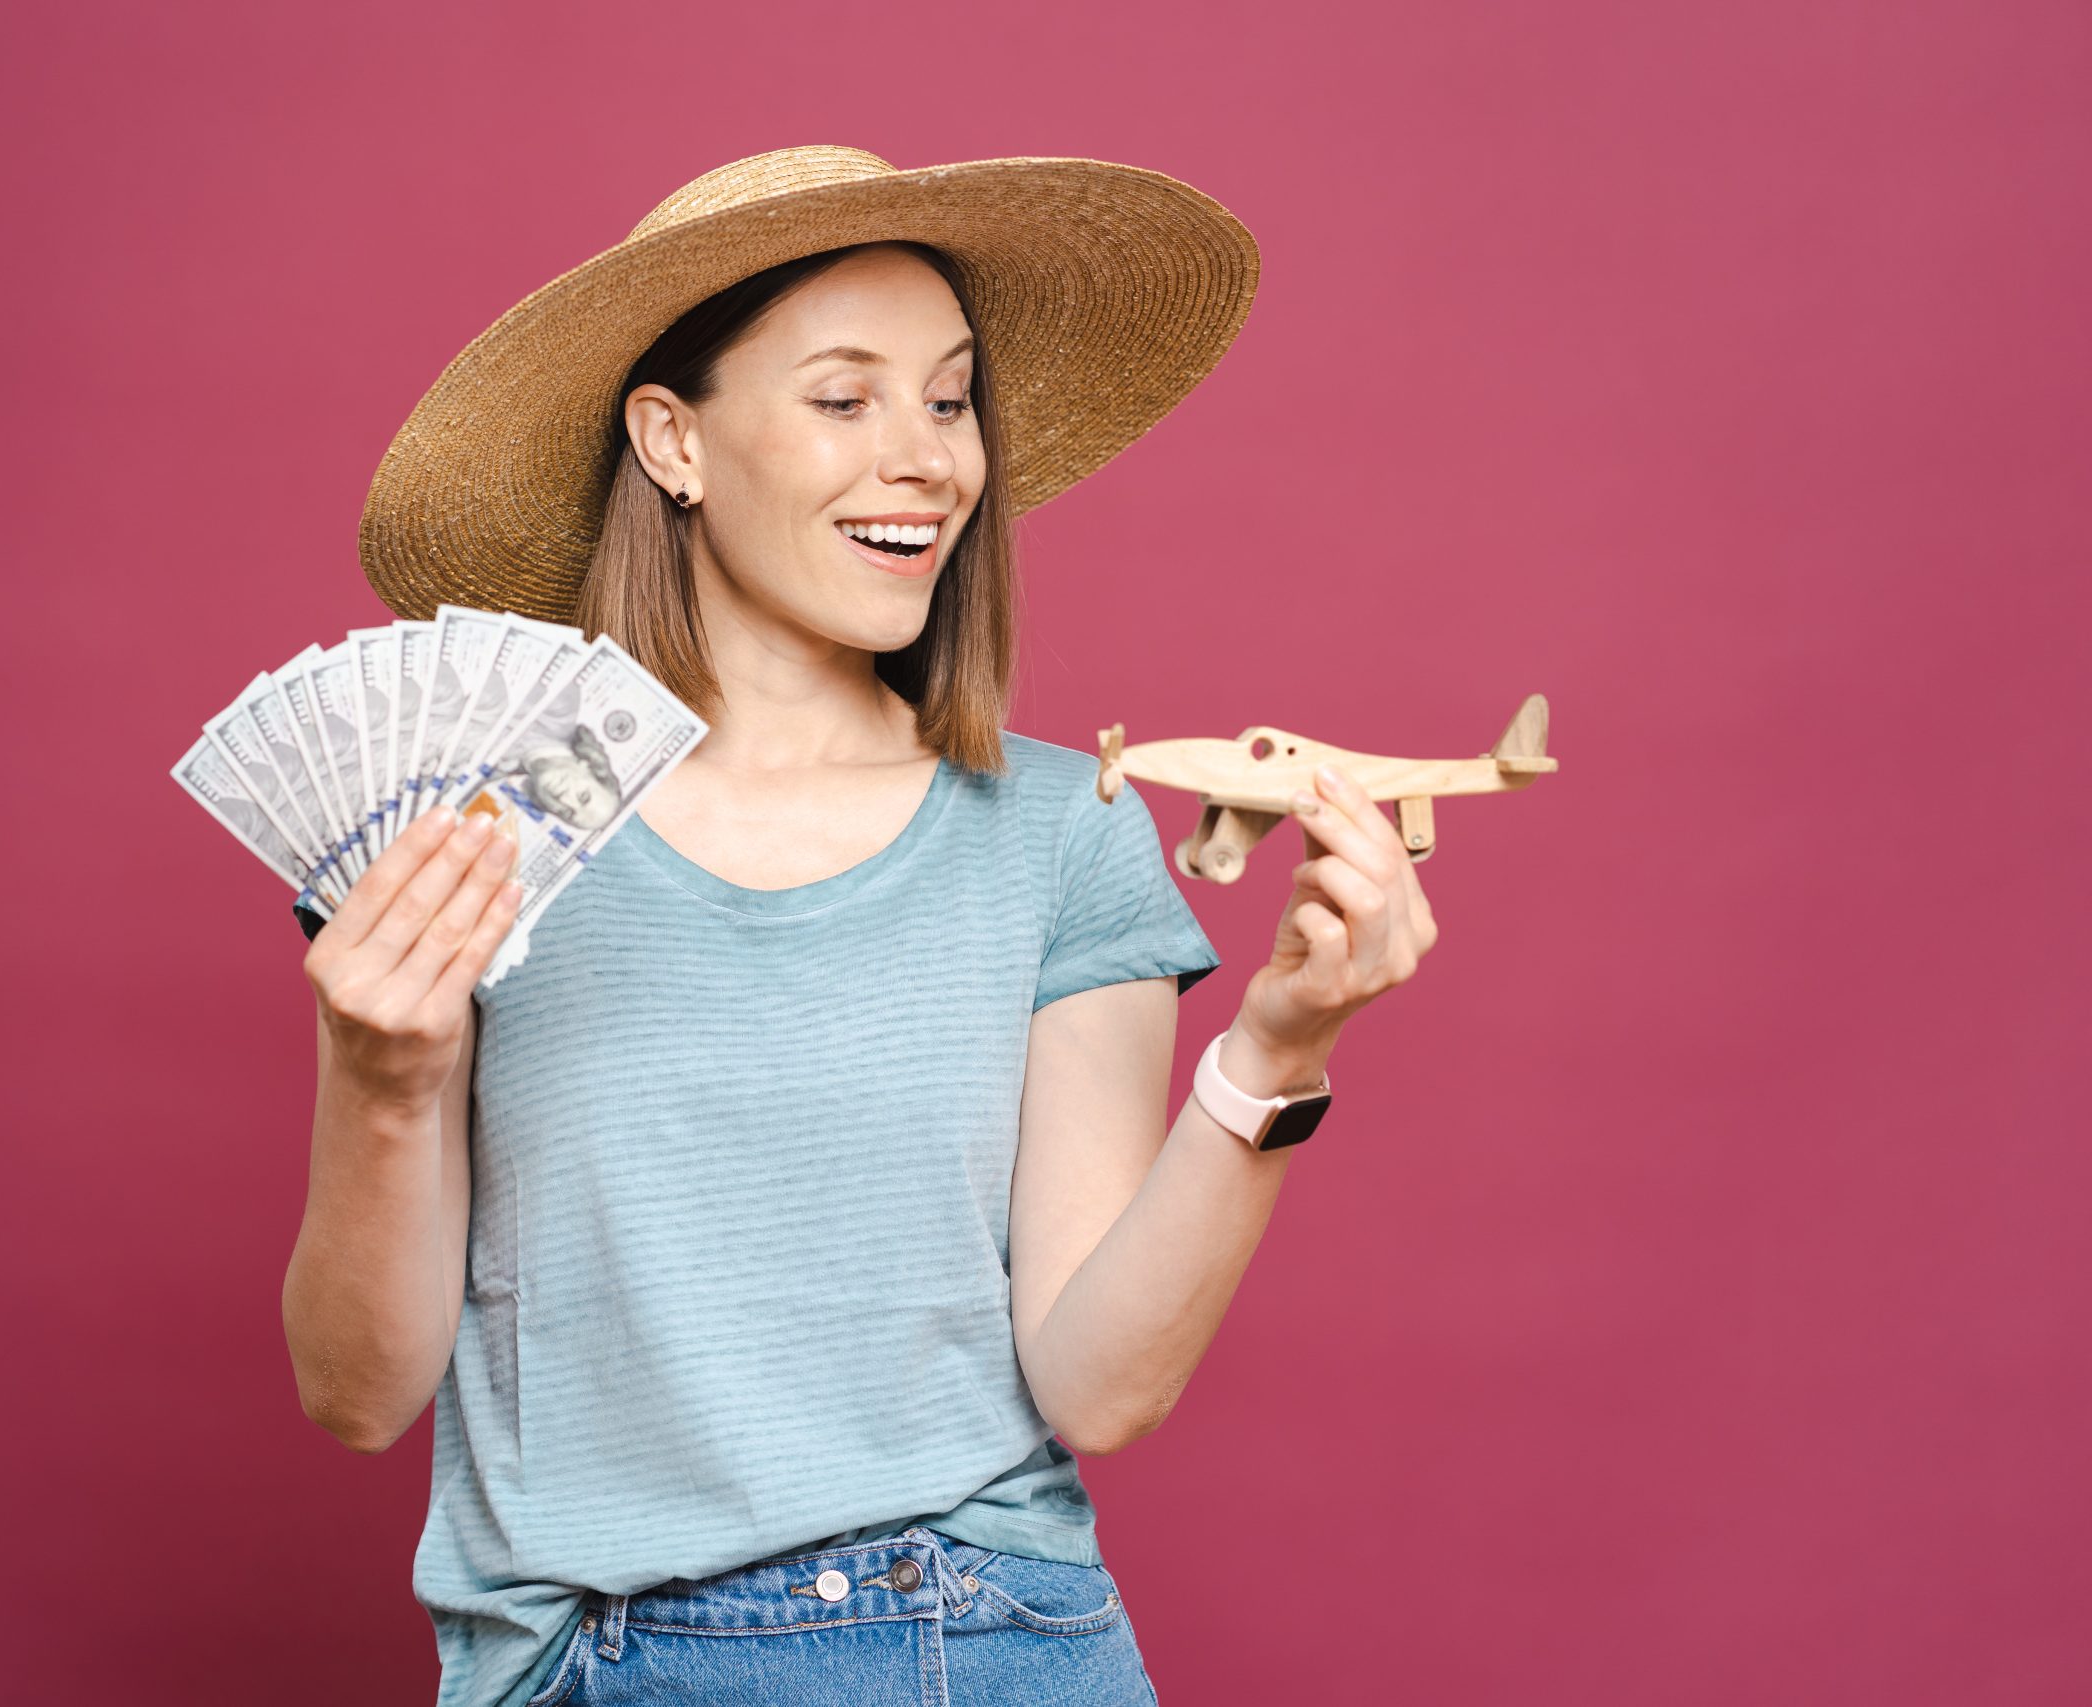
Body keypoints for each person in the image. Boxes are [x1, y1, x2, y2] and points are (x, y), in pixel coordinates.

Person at [280, 147, 1439, 1707]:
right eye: (846, 399)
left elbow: (1101, 1385)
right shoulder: (474, 843)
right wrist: (382, 1076)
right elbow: (359, 1397)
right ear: (673, 439)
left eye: (950, 401)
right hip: (574, 1661)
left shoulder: (1062, 834)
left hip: (966, 1639)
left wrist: (1277, 1052)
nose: (927, 461)